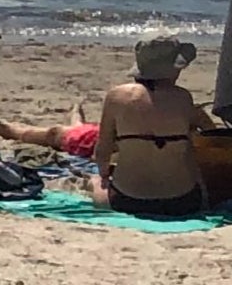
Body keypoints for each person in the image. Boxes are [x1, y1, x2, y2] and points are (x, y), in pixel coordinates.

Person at [91, 35, 216, 217]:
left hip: (126, 198)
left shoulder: (116, 97)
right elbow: (211, 132)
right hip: (181, 200)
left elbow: (102, 152)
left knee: (95, 180)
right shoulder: (183, 98)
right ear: (173, 69)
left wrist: (103, 175)